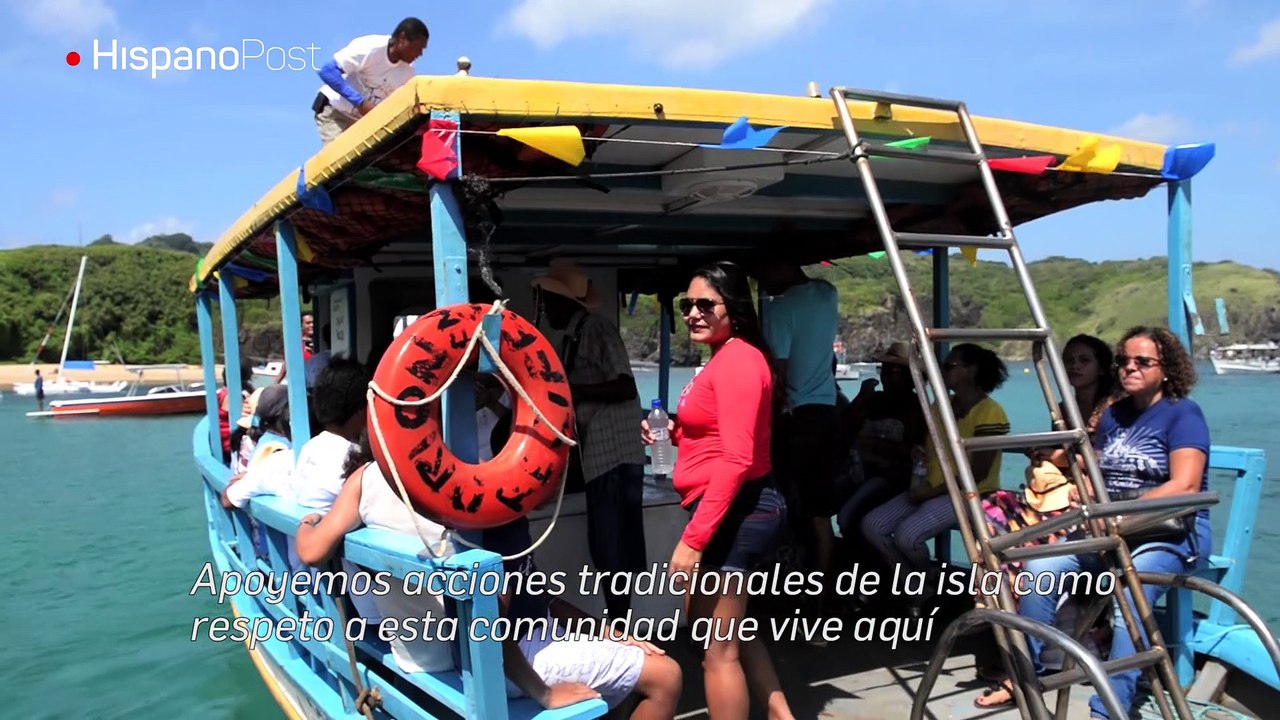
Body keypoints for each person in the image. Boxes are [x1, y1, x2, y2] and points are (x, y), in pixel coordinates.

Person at [973, 326, 1212, 718]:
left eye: (1142, 362)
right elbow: (1099, 468)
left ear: (1166, 369)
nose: (1129, 368)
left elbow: (1184, 484)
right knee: (1038, 569)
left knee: (1130, 597)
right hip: (1108, 528)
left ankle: (1108, 709)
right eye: (1123, 361)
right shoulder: (1114, 416)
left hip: (1167, 533)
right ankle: (1026, 674)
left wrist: (1118, 514)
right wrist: (1079, 483)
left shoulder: (1182, 414)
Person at [642, 260, 794, 720]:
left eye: (705, 303)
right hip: (728, 508)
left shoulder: (739, 361)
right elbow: (715, 437)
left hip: (738, 511)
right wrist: (674, 432)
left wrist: (692, 542)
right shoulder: (725, 358)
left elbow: (736, 458)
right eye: (686, 305)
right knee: (733, 632)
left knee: (716, 649)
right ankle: (781, 714)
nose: (692, 313)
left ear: (735, 308)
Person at [532, 259, 648, 617]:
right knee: (608, 546)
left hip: (613, 453)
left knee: (612, 547)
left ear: (566, 302)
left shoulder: (596, 330)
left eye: (548, 302)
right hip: (597, 454)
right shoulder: (576, 337)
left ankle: (620, 624)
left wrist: (570, 390)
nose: (545, 309)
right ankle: (619, 622)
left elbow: (625, 386)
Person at [860, 343, 1010, 595]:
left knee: (908, 536)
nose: (943, 371)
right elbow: (926, 442)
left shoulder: (990, 413)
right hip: (931, 487)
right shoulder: (941, 406)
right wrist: (917, 451)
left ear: (970, 372)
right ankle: (920, 581)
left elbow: (977, 474)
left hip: (967, 494)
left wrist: (928, 494)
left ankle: (919, 586)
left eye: (949, 366)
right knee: (872, 525)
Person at [755, 257, 841, 605]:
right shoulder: (827, 293)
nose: (763, 282)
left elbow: (779, 369)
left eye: (765, 272)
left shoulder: (780, 308)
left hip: (796, 416)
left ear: (784, 267)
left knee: (781, 502)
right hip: (827, 411)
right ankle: (822, 593)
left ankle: (783, 586)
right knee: (820, 513)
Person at [313, 18, 429, 144]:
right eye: (419, 47)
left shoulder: (407, 73)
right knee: (342, 161)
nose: (420, 54)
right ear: (402, 38)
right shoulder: (370, 48)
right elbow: (328, 71)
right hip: (335, 111)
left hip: (363, 123)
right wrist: (360, 102)